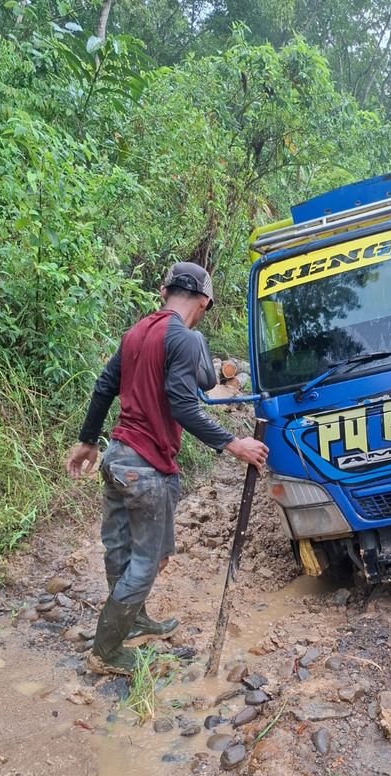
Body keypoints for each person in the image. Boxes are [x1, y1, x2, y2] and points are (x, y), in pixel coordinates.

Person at [66, 262, 268, 676]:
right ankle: (106, 653)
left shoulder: (137, 332)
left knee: (120, 551)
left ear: (164, 291)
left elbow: (106, 386)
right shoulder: (184, 336)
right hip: (147, 466)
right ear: (205, 301)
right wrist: (234, 443)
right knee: (149, 559)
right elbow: (184, 402)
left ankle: (133, 619)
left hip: (117, 458)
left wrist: (88, 441)